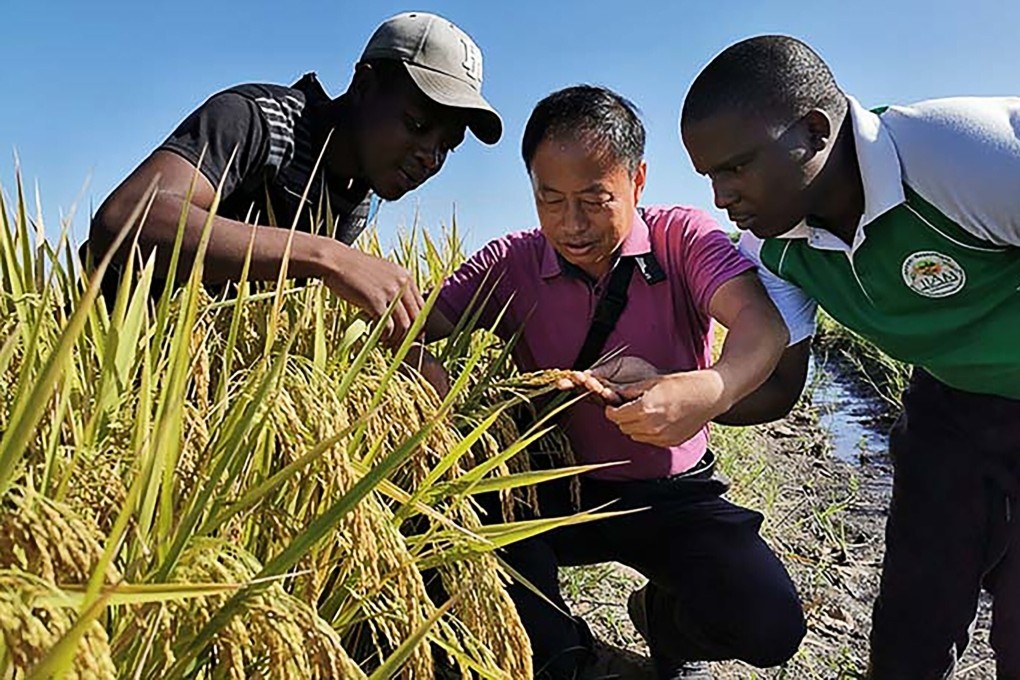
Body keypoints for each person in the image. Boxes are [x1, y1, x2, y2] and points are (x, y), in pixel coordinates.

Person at [658, 35, 1019, 679]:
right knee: (912, 624)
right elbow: (777, 388)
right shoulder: (775, 249)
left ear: (813, 132)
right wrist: (675, 398)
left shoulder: (961, 154)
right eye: (710, 176)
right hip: (949, 407)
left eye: (737, 167)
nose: (721, 197)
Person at [421, 85, 806, 680]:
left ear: (637, 180)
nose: (572, 225)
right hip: (552, 492)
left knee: (769, 624)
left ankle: (660, 621)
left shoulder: (682, 239)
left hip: (673, 493)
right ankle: (571, 654)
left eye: (594, 199)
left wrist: (707, 390)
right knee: (461, 537)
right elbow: (411, 323)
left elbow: (762, 327)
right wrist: (425, 370)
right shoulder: (510, 262)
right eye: (550, 200)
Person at [85, 11, 501, 342]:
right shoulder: (256, 121)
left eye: (448, 146)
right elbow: (125, 219)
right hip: (107, 348)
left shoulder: (363, 194)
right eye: (417, 124)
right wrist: (328, 257)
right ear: (363, 85)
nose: (431, 157)